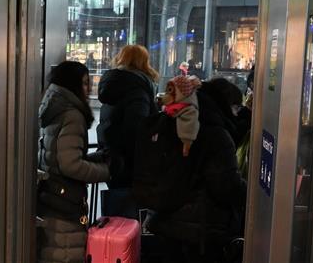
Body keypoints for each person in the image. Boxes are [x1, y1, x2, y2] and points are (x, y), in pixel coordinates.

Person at [147, 85, 247, 263]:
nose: (237, 114)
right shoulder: (216, 136)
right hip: (200, 229)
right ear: (226, 105)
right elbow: (225, 186)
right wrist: (251, 192)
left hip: (165, 220)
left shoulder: (174, 123)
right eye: (237, 108)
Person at [37, 61, 110, 263]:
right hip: (66, 199)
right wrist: (106, 171)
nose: (88, 89)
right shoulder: (72, 115)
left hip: (50, 194)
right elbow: (71, 165)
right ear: (73, 84)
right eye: (85, 83)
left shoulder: (51, 106)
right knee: (66, 252)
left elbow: (59, 154)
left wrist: (94, 158)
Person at [97, 45, 159, 190]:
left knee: (118, 202)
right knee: (129, 207)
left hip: (112, 156)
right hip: (130, 163)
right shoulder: (137, 90)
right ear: (143, 62)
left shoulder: (113, 84)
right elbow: (137, 128)